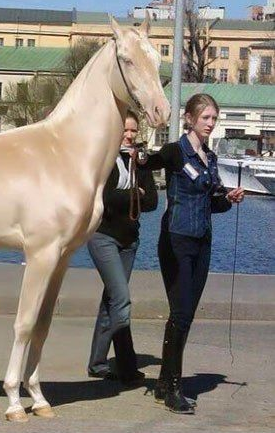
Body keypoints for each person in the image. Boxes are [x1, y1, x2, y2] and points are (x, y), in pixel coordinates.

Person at [140, 94, 244, 414]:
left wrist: (229, 198)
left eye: (214, 118)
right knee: (181, 313)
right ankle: (173, 388)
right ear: (189, 119)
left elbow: (213, 203)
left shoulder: (209, 158)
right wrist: (137, 153)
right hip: (176, 240)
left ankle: (163, 383)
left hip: (202, 242)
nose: (210, 124)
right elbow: (150, 161)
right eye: (205, 118)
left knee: (185, 315)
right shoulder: (176, 151)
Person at [87, 110, 158, 385]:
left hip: (130, 241)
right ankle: (127, 366)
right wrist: (134, 194)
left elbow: (152, 202)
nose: (129, 136)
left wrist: (132, 195)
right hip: (103, 236)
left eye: (133, 131)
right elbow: (104, 198)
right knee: (121, 299)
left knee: (112, 300)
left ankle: (97, 363)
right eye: (124, 130)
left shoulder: (139, 162)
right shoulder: (104, 160)